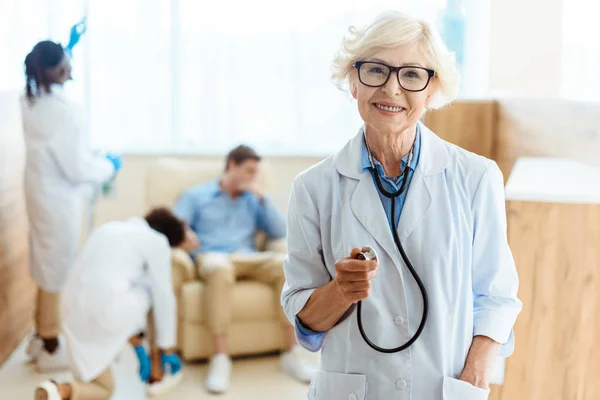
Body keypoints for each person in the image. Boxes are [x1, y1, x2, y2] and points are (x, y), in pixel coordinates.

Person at [281, 11, 523, 400]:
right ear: (353, 82)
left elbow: (496, 296)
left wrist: (474, 377)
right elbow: (305, 322)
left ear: (432, 91)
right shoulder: (313, 188)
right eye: (376, 70)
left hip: (442, 389)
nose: (392, 89)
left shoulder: (476, 177)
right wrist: (341, 290)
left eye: (412, 74)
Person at [174, 145, 314, 393]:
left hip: (249, 257)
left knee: (286, 265)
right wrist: (186, 235)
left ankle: (291, 352)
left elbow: (281, 232)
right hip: (214, 257)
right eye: (248, 171)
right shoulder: (197, 195)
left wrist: (262, 197)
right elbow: (175, 227)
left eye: (255, 172)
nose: (252, 177)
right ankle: (219, 358)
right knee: (219, 270)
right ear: (231, 166)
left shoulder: (253, 197)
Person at [20, 39, 122, 372]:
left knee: (44, 263)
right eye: (66, 64)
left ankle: (39, 333)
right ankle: (50, 344)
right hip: (57, 198)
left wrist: (64, 51)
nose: (72, 69)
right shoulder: (61, 112)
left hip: (40, 191)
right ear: (55, 69)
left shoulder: (32, 97)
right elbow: (77, 167)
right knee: (56, 268)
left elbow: (61, 151)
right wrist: (108, 166)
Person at [34, 207, 186, 400]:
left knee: (104, 388)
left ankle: (57, 390)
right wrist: (167, 347)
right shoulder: (157, 240)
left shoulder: (108, 228)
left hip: (71, 310)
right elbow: (164, 297)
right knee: (153, 292)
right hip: (106, 312)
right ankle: (158, 370)